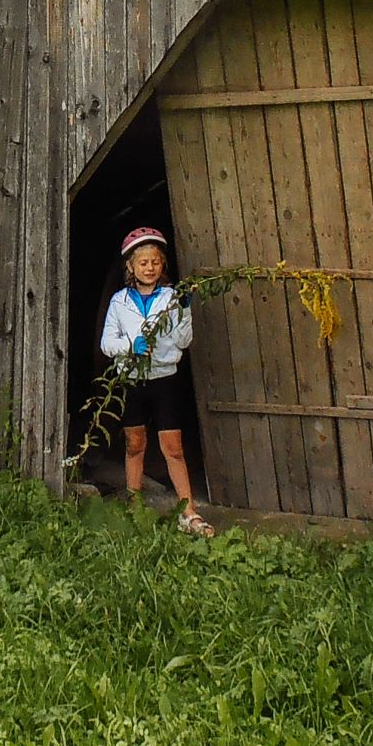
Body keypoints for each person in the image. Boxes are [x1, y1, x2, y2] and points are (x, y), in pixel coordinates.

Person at [98, 225, 212, 537]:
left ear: (162, 266)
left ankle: (188, 511)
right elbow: (107, 342)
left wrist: (185, 312)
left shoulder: (172, 297)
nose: (149, 268)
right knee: (135, 443)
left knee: (172, 447)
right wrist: (130, 345)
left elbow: (183, 340)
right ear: (131, 267)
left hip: (164, 380)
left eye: (155, 262)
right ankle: (134, 505)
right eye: (143, 263)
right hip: (133, 381)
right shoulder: (120, 302)